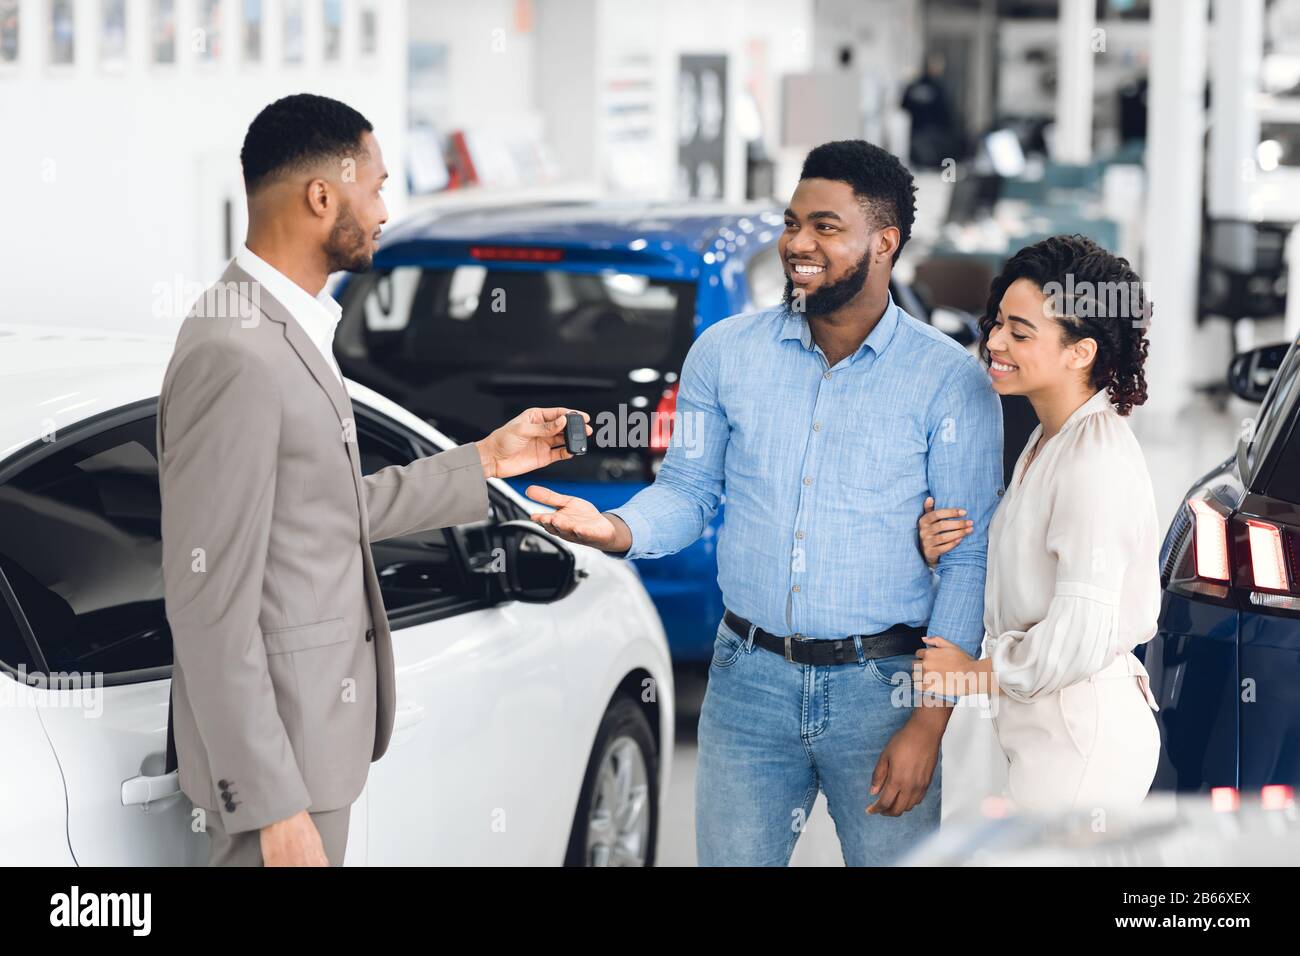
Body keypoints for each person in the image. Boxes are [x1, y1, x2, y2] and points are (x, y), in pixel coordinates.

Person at [527, 140, 1003, 866]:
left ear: (885, 243)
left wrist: (929, 725)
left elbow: (968, 561)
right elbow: (687, 493)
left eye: (824, 227)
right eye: (790, 224)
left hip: (883, 691)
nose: (797, 245)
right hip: (748, 683)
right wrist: (618, 527)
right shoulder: (724, 354)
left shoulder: (949, 382)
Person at [158, 93, 587, 866]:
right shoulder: (237, 351)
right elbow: (209, 604)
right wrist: (272, 803)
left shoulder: (283, 325)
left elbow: (321, 511)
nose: (388, 209)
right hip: (280, 772)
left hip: (312, 753)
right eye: (379, 186)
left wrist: (486, 460)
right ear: (322, 197)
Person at [915, 234, 1162, 813]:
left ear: (1080, 352)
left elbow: (1079, 630)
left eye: (1020, 333)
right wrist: (941, 550)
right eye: (998, 322)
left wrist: (971, 674)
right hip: (1043, 729)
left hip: (1080, 743)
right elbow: (1029, 578)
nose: (995, 341)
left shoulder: (1094, 458)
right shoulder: (1048, 437)